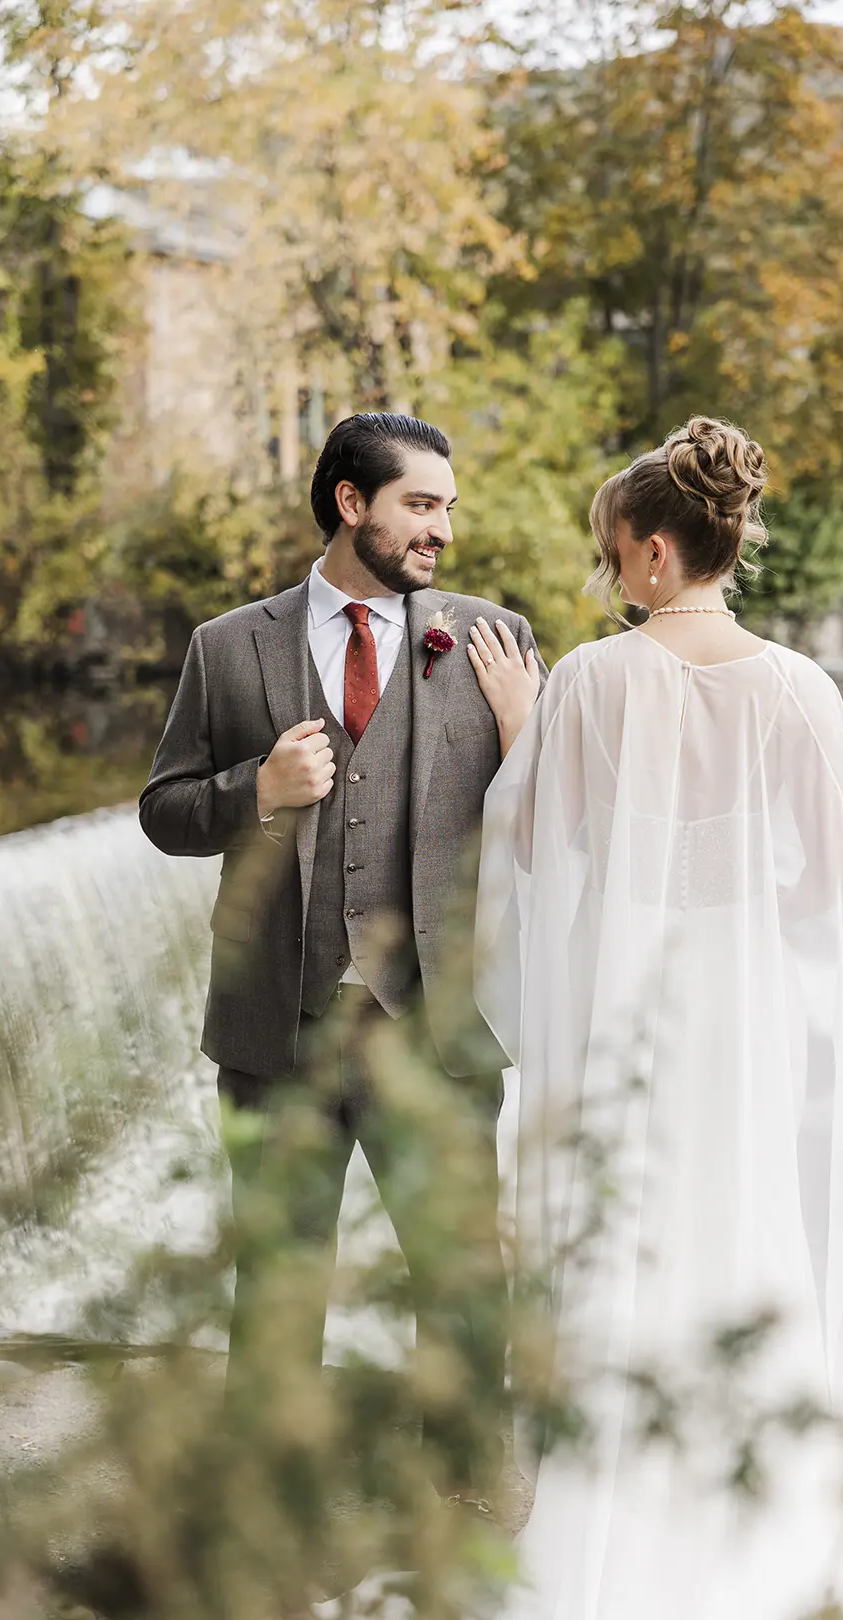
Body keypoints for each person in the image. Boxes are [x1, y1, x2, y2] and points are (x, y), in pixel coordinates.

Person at [469, 416, 843, 1619]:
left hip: (629, 1032)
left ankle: (619, 1525)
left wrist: (523, 733)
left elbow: (532, 862)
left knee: (630, 1245)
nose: (609, 572)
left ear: (650, 553)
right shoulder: (802, 692)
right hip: (752, 1037)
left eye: (612, 551)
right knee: (754, 1238)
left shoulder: (584, 682)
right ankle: (770, 1515)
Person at [139, 411, 544, 1511]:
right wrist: (252, 794)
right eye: (422, 504)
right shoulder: (231, 644)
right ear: (350, 503)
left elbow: (552, 828)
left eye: (449, 508)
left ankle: (463, 1489)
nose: (443, 531)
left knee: (460, 1276)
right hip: (281, 1026)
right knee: (277, 1277)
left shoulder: (492, 639)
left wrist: (528, 738)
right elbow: (165, 812)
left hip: (438, 1025)